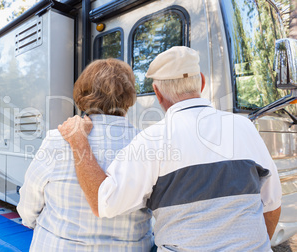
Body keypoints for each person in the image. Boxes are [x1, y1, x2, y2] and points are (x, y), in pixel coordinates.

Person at [58, 46, 282, 251]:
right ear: (201, 82)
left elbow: (102, 203)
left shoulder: (151, 140)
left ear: (157, 92)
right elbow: (272, 206)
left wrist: (79, 142)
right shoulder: (244, 127)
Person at [17, 59, 154, 251]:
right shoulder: (148, 143)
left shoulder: (58, 139)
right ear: (130, 95)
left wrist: (31, 221)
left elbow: (30, 201)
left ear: (82, 94)